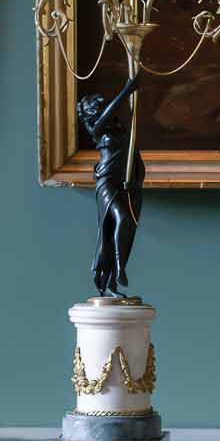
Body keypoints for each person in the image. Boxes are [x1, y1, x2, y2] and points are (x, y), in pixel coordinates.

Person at [76, 73, 144, 297]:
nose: (103, 108)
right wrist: (127, 89)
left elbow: (135, 158)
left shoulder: (121, 132)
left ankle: (113, 282)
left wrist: (134, 181)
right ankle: (119, 269)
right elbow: (107, 114)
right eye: (97, 106)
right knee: (118, 220)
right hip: (106, 183)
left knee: (127, 225)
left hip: (123, 185)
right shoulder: (98, 130)